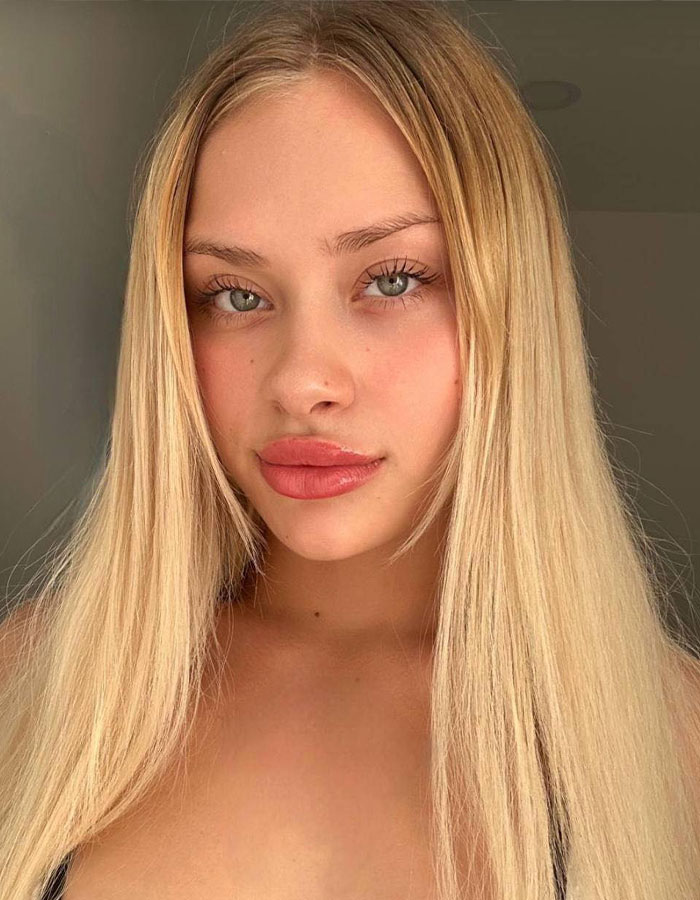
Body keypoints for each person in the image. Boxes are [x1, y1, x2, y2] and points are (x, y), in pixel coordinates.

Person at [2, 2, 699, 898]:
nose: (301, 381)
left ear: (512, 307)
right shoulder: (31, 683)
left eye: (393, 280)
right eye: (236, 295)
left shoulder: (671, 744)